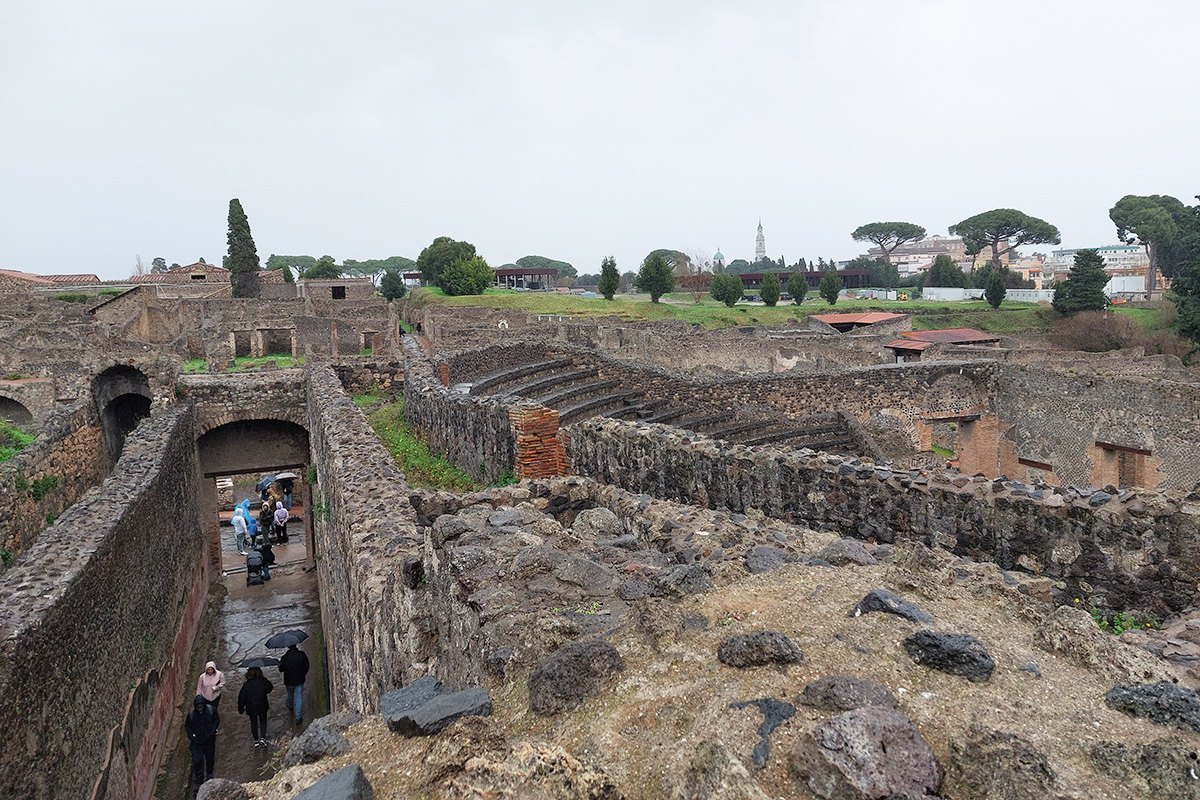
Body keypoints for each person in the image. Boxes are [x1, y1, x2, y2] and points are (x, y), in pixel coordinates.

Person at [185, 694, 218, 793]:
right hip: (197, 743)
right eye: (198, 706)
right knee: (197, 761)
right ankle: (199, 780)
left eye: (201, 706)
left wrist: (212, 732)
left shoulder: (211, 711)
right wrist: (192, 737)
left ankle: (209, 774)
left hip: (209, 740)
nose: (199, 708)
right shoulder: (191, 715)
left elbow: (216, 720)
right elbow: (187, 726)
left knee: (209, 758)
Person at [237, 667, 274, 746]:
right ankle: (263, 738)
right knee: (263, 721)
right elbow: (269, 688)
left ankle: (256, 740)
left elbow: (241, 697)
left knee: (253, 722)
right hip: (262, 705)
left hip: (251, 707)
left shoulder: (246, 685)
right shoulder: (263, 681)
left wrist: (241, 709)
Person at [278, 644, 309, 725]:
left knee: (290, 695)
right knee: (299, 697)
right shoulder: (301, 655)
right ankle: (298, 717)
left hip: (289, 681)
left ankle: (290, 706)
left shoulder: (284, 657)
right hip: (299, 679)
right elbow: (307, 666)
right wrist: (303, 674)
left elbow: (281, 669)